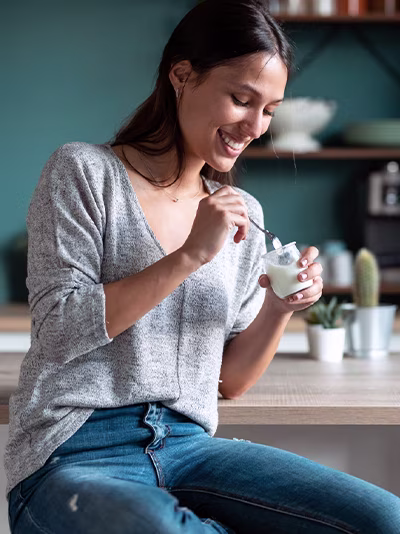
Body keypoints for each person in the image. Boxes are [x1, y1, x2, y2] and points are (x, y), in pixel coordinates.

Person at [5, 0, 400, 532]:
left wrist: (280, 308)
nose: (255, 126)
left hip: (189, 447)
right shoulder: (82, 172)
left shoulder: (243, 215)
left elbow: (229, 381)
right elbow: (58, 332)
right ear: (182, 75)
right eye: (242, 99)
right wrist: (190, 254)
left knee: (383, 518)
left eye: (270, 111)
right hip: (75, 449)